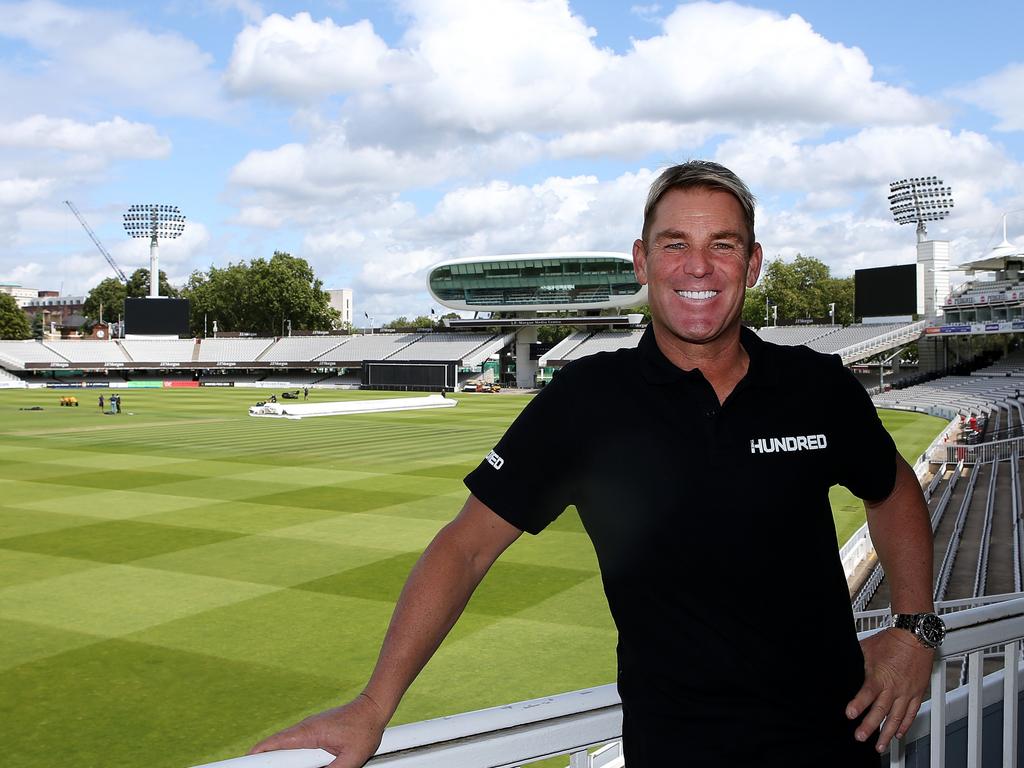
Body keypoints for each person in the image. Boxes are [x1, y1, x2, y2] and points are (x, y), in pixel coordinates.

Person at [251, 162, 937, 767]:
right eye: (676, 245)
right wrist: (374, 704)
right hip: (679, 753)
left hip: (836, 747)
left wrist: (914, 629)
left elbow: (895, 490)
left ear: (752, 263)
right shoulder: (586, 401)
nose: (698, 267)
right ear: (641, 261)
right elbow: (463, 549)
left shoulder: (816, 385)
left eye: (721, 246)